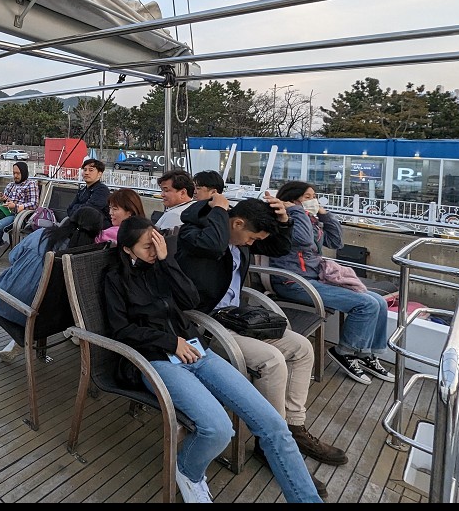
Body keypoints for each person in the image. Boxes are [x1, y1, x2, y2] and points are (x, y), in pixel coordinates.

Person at [103, 216, 322, 503]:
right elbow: (121, 329)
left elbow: (191, 300)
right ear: (128, 250)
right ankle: (188, 470)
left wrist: (167, 262)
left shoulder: (162, 266)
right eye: (147, 248)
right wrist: (171, 341)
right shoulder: (115, 279)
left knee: (274, 425)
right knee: (218, 430)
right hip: (155, 361)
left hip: (197, 352)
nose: (154, 253)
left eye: (157, 244)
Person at [174, 193, 345, 493]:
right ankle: (272, 447)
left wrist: (283, 220)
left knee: (303, 350)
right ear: (236, 222)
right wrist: (218, 210)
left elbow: (278, 245)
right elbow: (212, 245)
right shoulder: (195, 235)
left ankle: (294, 427)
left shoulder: (243, 238)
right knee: (272, 361)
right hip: (205, 327)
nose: (252, 244)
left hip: (238, 320)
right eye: (250, 237)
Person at [270, 181, 395, 386]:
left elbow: (336, 242)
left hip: (314, 278)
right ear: (292, 200)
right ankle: (344, 352)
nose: (314, 201)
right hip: (293, 282)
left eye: (314, 196)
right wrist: (296, 212)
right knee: (366, 304)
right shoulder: (284, 220)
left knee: (378, 302)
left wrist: (324, 215)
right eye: (308, 197)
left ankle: (366, 354)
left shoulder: (307, 219)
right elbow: (303, 242)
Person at [0, 206, 106, 361]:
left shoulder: (42, 235)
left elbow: (13, 257)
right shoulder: (83, 256)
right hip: (49, 319)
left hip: (8, 303)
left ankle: (20, 339)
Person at [0, 161, 39, 261]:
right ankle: (1, 244)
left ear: (24, 172)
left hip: (18, 216)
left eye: (18, 173)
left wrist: (16, 206)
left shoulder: (31, 184)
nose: (15, 176)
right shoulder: (10, 185)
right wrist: (2, 199)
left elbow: (34, 204)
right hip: (4, 211)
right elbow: (5, 200)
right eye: (14, 173)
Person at [66, 158, 110, 224]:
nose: (86, 173)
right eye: (85, 170)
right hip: (80, 223)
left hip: (96, 227)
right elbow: (69, 209)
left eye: (91, 170)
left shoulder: (102, 190)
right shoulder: (82, 190)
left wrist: (76, 207)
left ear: (99, 174)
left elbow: (90, 210)